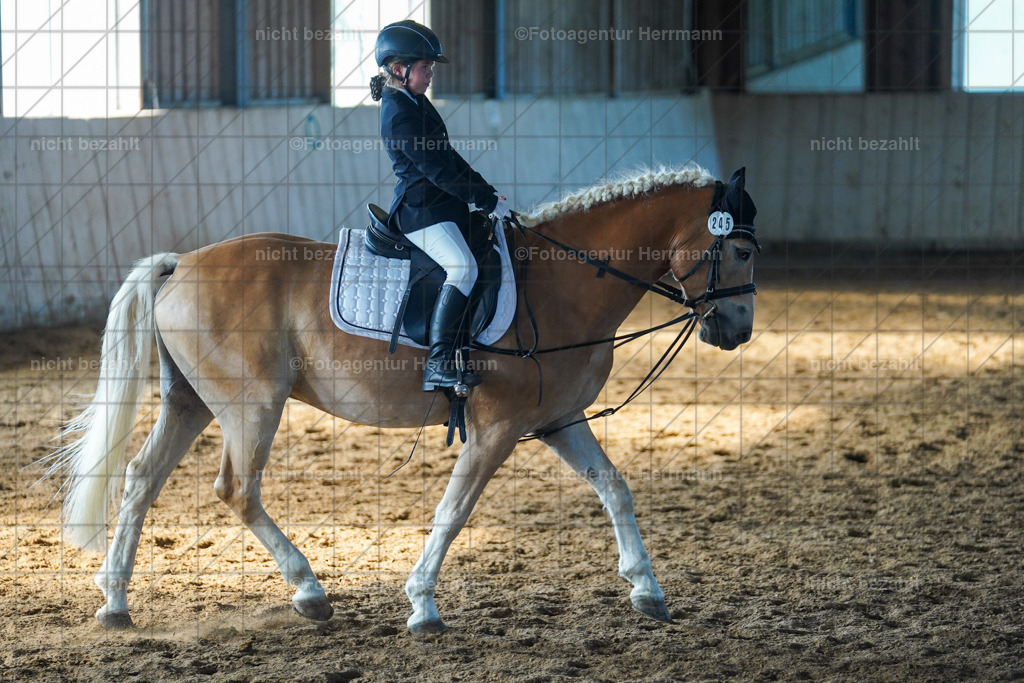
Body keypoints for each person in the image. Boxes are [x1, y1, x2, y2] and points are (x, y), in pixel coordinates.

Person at [370, 20, 511, 392]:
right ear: (399, 69)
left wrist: (489, 193)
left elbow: (448, 157)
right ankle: (438, 363)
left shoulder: (414, 101)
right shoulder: (399, 112)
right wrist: (482, 198)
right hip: (421, 212)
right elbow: (435, 171)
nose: (431, 73)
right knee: (462, 267)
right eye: (425, 67)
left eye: (431, 66)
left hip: (442, 207)